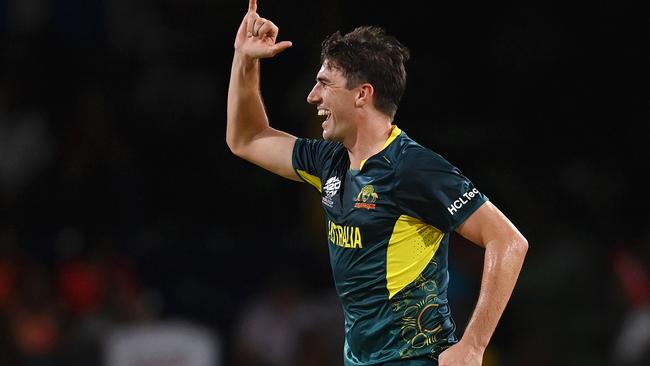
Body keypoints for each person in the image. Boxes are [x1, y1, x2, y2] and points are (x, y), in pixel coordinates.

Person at [226, 1, 528, 365]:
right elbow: (246, 138)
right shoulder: (329, 161)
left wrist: (474, 345)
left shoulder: (413, 168)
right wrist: (244, 58)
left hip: (415, 358)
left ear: (362, 94)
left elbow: (509, 241)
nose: (312, 97)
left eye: (324, 84)